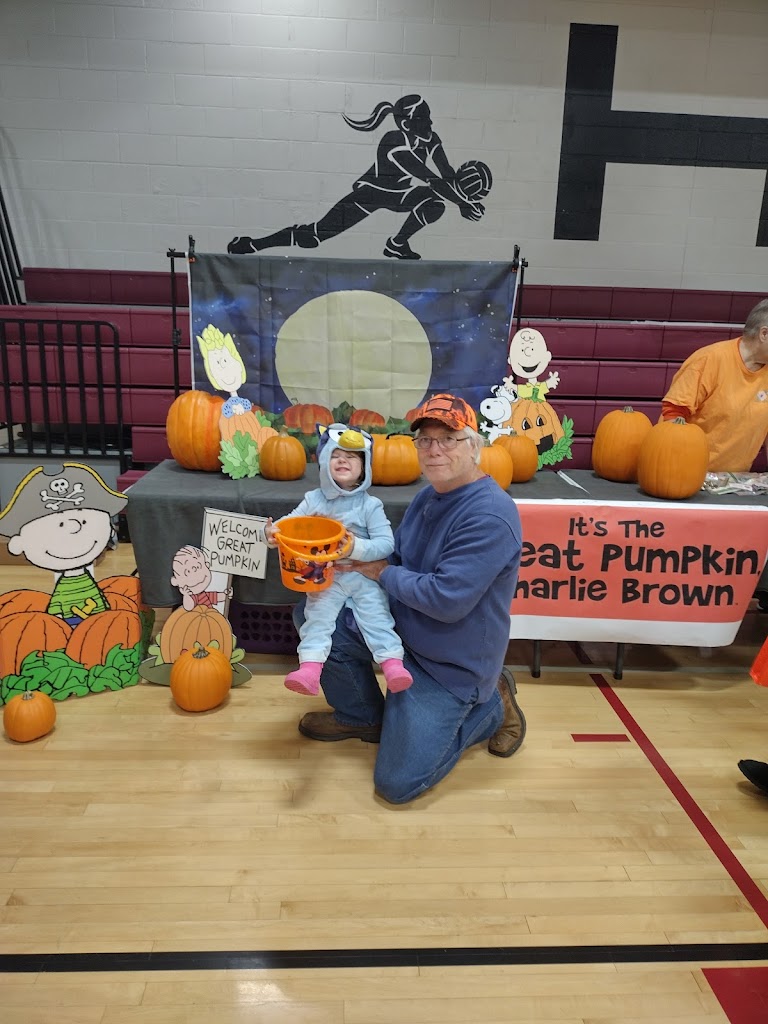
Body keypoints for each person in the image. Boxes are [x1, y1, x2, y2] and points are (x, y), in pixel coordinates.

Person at [293, 393, 526, 805]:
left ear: (474, 446)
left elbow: (445, 600)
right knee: (314, 614)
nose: (434, 449)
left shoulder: (489, 515)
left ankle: (489, 706)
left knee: (396, 784)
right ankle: (363, 717)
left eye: (449, 439)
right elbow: (397, 557)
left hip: (450, 665)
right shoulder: (428, 496)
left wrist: (380, 571)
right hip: (405, 631)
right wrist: (345, 555)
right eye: (425, 440)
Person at [228, 95, 490, 261]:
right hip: (371, 194)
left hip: (400, 195)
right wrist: (463, 202)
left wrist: (466, 195)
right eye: (424, 119)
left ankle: (397, 244)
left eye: (430, 117)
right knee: (314, 236)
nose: (430, 123)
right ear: (406, 124)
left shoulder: (430, 138)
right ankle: (254, 245)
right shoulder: (394, 141)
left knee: (435, 204)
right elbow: (429, 178)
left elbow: (446, 173)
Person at [266, 424, 413, 697]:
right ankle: (309, 670)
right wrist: (272, 533)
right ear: (324, 462)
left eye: (351, 456)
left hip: (362, 576)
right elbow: (288, 525)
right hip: (325, 577)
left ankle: (393, 666)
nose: (342, 460)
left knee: (377, 617)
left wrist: (355, 547)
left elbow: (386, 544)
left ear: (364, 467)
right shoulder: (313, 500)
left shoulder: (370, 505)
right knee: (316, 619)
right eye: (335, 455)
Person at [660, 298, 768, 472]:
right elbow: (673, 414)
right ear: (764, 334)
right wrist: (678, 473)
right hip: (685, 473)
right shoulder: (709, 359)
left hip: (734, 480)